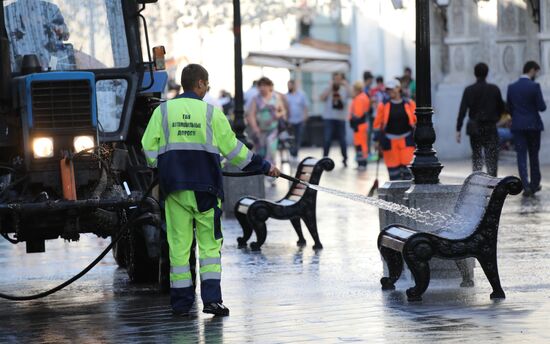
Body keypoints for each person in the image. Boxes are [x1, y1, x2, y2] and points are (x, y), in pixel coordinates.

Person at [141, 64, 281, 316]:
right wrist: (265, 166)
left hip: (175, 190)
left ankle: (181, 304)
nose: (208, 88)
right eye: (207, 84)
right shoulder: (210, 113)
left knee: (179, 246)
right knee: (209, 246)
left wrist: (162, 166)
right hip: (206, 190)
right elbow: (235, 151)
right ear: (200, 83)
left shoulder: (162, 112)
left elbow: (147, 148)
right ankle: (212, 301)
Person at [456, 63, 504, 177]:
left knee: (476, 156)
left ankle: (477, 182)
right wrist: (495, 118)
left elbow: (462, 110)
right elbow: (501, 107)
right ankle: (492, 184)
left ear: (475, 73)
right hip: (490, 127)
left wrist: (458, 129)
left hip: (475, 128)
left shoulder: (469, 90)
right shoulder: (494, 89)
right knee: (491, 158)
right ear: (487, 73)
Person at [507, 61, 547, 197]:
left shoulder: (512, 87)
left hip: (518, 125)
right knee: (534, 155)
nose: (536, 75)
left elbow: (509, 108)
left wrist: (517, 117)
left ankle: (526, 185)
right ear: (531, 70)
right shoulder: (535, 86)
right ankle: (535, 184)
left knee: (521, 156)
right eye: (536, 72)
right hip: (533, 125)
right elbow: (542, 107)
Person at [373, 79, 417, 180]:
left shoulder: (409, 103)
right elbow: (377, 124)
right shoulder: (383, 105)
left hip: (407, 141)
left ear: (398, 88)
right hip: (389, 142)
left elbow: (416, 120)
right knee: (394, 175)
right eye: (388, 89)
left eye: (392, 89)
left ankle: (407, 195)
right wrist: (376, 140)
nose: (390, 91)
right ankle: (396, 196)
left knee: (408, 174)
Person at [247, 77, 287, 164]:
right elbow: (251, 114)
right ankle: (262, 172)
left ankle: (271, 171)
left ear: (270, 86)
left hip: (273, 129)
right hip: (260, 130)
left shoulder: (276, 97)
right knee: (261, 151)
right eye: (260, 86)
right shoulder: (256, 98)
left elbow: (283, 111)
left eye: (264, 85)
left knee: (271, 148)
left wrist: (278, 115)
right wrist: (255, 128)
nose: (262, 88)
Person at [320, 72, 352, 167]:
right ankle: (325, 158)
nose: (337, 81)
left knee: (342, 140)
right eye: (335, 79)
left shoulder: (344, 89)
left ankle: (345, 158)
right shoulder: (328, 88)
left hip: (341, 118)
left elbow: (353, 95)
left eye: (339, 79)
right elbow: (322, 97)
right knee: (327, 139)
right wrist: (330, 87)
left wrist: (346, 85)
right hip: (329, 118)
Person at [349, 81, 371, 170]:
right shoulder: (364, 96)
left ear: (356, 89)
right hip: (362, 124)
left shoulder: (359, 98)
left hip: (359, 125)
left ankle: (361, 163)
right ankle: (362, 163)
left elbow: (358, 114)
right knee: (362, 144)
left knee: (359, 145)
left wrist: (353, 119)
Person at [286, 79, 309, 161]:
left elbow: (306, 106)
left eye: (290, 85)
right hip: (290, 121)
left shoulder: (302, 95)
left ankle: (295, 154)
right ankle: (292, 153)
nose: (289, 87)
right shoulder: (286, 96)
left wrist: (305, 117)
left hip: (300, 120)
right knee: (290, 138)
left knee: (298, 138)